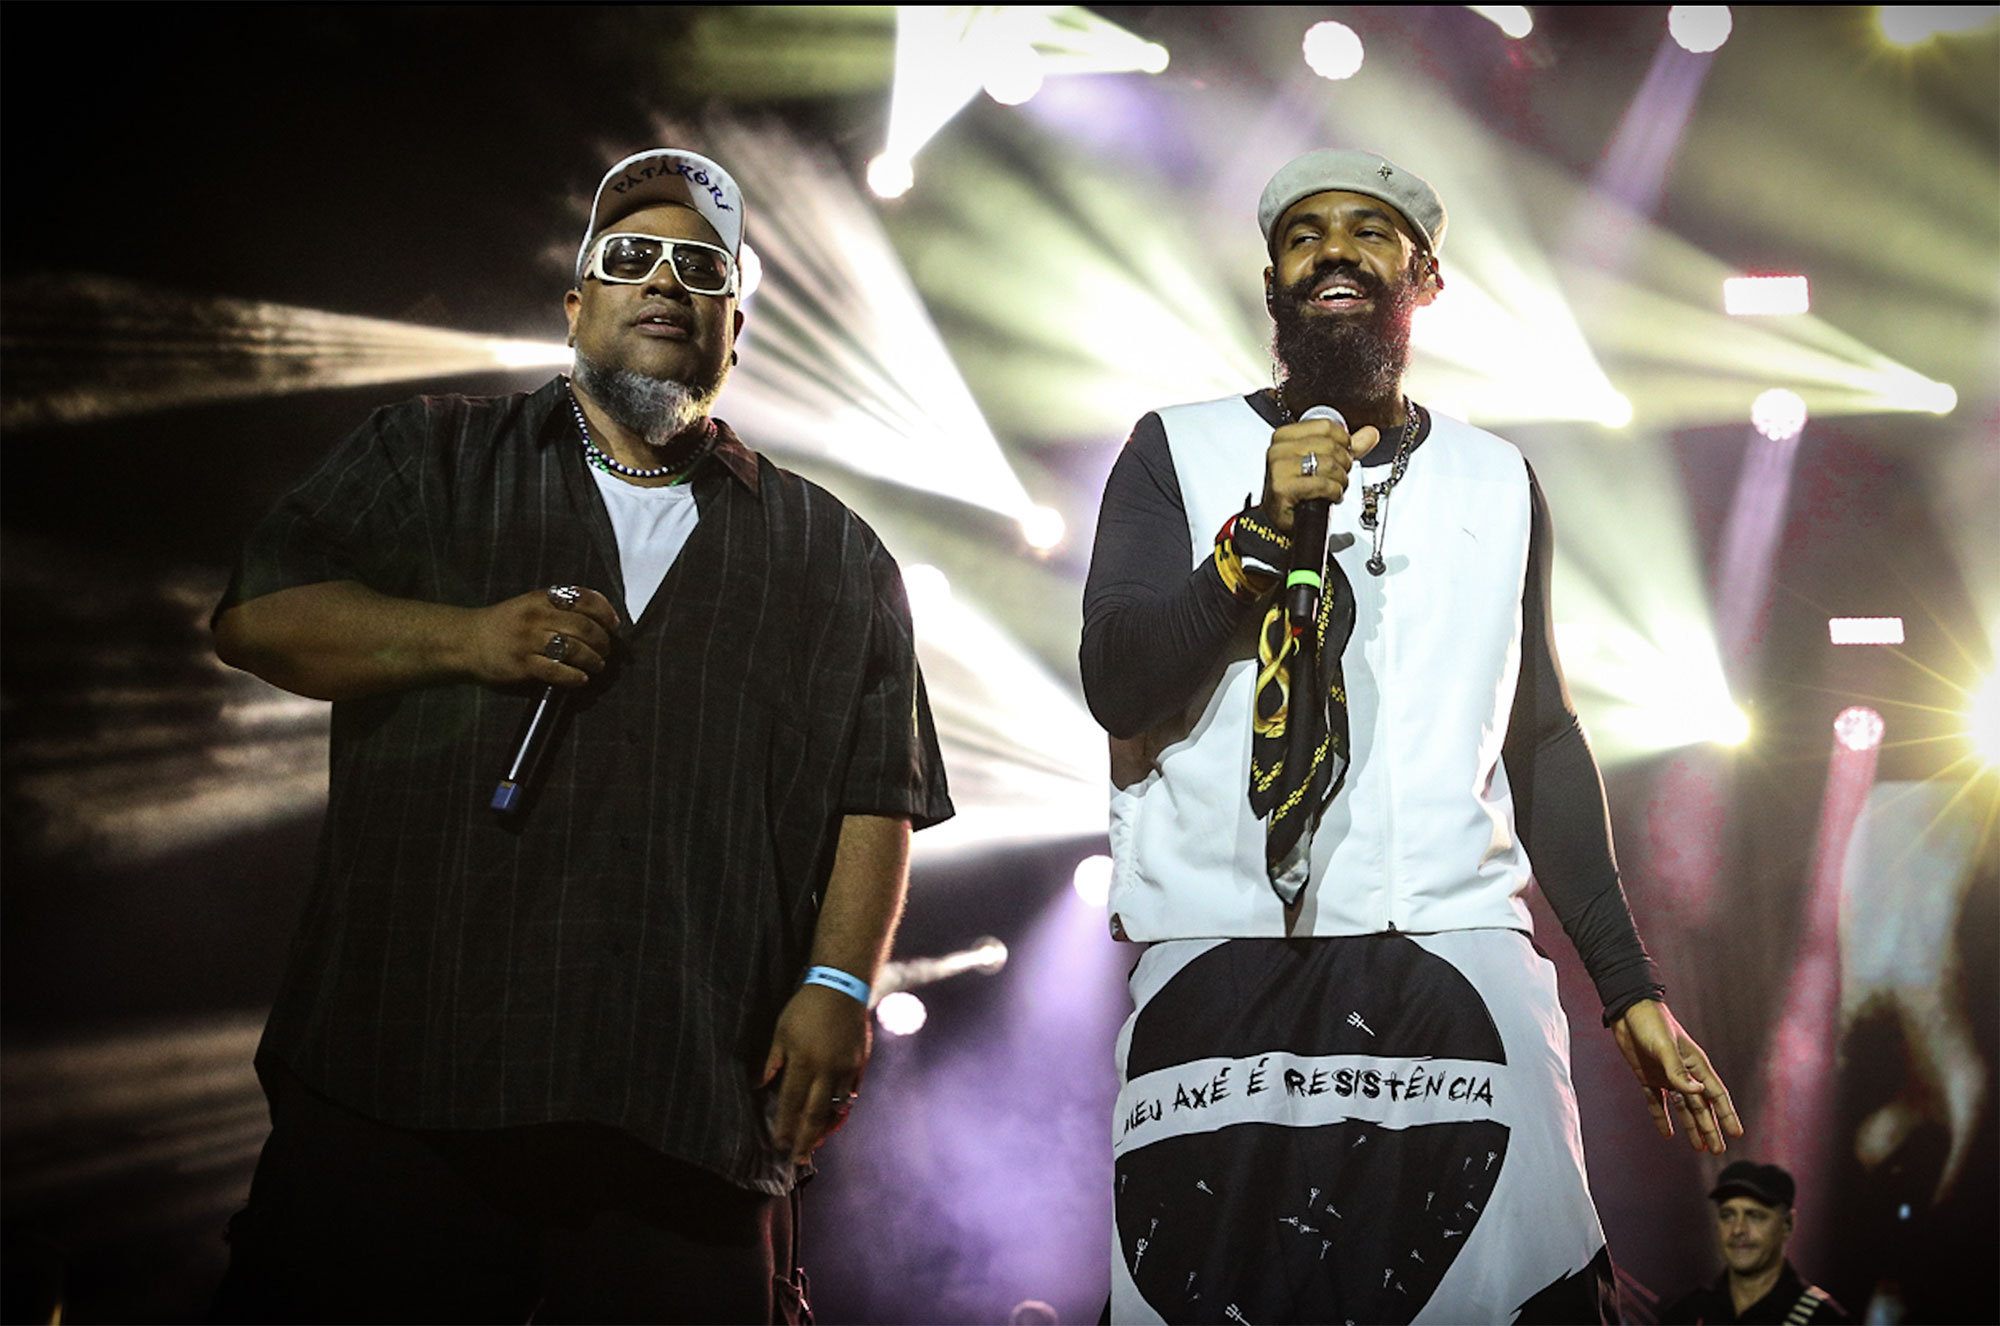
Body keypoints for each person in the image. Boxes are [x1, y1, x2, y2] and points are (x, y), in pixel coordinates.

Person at [208, 147, 952, 1324]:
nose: (663, 279)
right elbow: (258, 617)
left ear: (734, 330)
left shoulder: (833, 552)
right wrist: (464, 639)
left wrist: (836, 983)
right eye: (630, 256)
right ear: (575, 305)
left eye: (700, 269)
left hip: (683, 1100)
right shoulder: (430, 454)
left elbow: (879, 789)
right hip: (402, 1068)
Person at [1081, 148, 1741, 1323]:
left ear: (1423, 277)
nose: (1332, 250)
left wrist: (1628, 989)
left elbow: (1537, 740)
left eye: (1368, 231)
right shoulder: (1172, 449)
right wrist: (1254, 537)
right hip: (1221, 951)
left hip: (1454, 947)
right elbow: (1117, 682)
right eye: (1302, 236)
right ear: (1273, 284)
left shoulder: (1497, 478)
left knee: (1517, 1290)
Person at [1661, 1162, 1851, 1325]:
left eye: (1755, 1216)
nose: (1738, 1229)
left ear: (1787, 1224)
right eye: (1727, 1215)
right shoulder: (1686, 1314)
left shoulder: (1824, 1319)